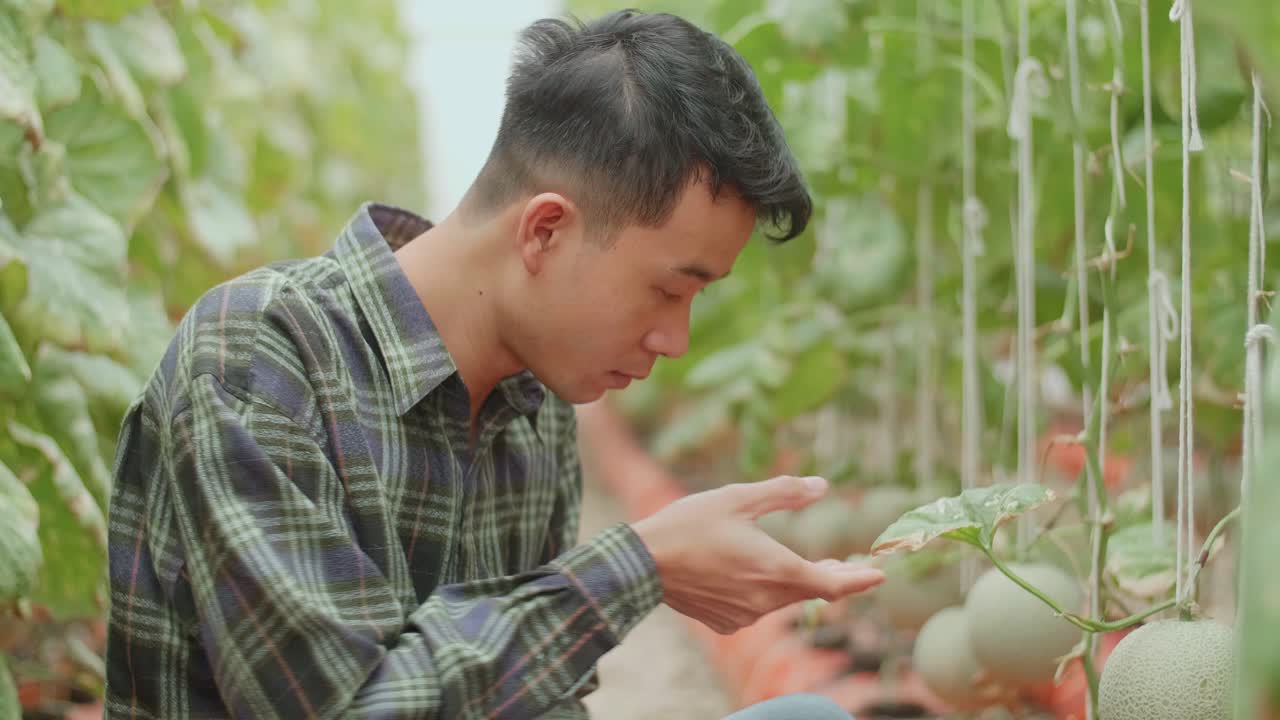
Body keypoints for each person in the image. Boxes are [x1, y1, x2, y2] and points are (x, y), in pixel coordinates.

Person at [103, 8, 883, 719]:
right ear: (545, 230)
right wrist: (638, 563)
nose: (673, 339)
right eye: (667, 290)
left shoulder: (536, 406)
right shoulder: (258, 359)